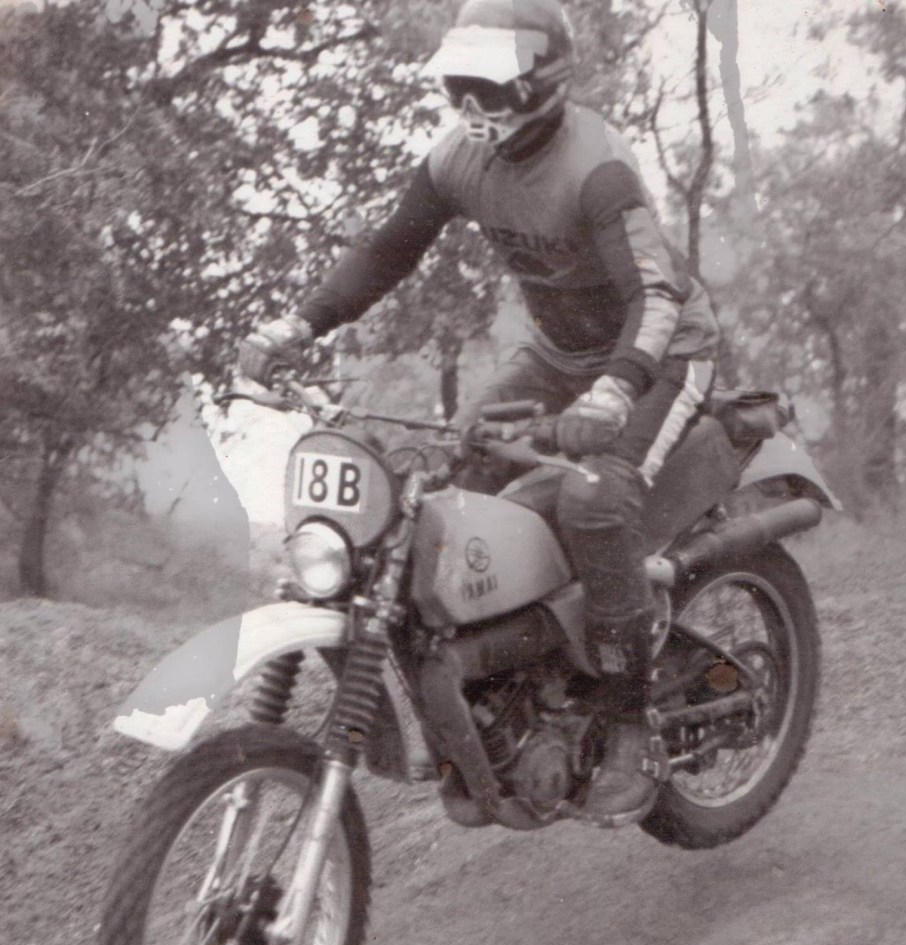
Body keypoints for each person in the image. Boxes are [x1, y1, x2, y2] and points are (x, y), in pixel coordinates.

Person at [239, 0, 719, 819]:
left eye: (486, 87)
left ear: (539, 82)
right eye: (457, 85)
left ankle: (630, 720)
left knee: (594, 499)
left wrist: (615, 388)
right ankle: (504, 689)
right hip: (557, 357)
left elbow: (656, 295)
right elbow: (387, 249)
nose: (469, 106)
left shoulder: (595, 167)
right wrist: (300, 323)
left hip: (661, 358)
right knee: (438, 476)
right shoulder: (458, 160)